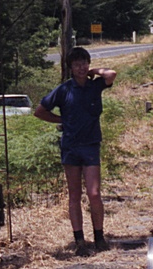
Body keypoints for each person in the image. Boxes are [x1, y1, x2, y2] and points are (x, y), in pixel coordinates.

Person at [34, 48, 116, 255]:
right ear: (70, 67)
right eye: (77, 64)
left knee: (94, 193)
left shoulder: (94, 86)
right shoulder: (63, 90)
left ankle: (99, 237)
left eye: (84, 63)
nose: (81, 67)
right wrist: (61, 120)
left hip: (90, 145)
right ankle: (79, 240)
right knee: (74, 195)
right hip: (70, 145)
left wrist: (93, 71)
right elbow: (40, 111)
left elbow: (111, 74)